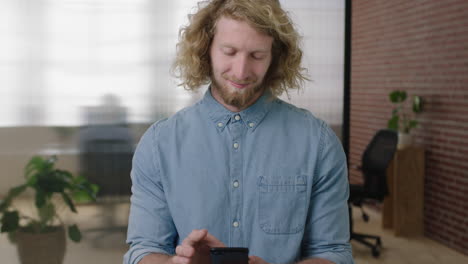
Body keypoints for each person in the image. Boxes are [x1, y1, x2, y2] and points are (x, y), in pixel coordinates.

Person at [124, 0, 354, 264]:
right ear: (205, 49)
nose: (242, 71)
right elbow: (142, 250)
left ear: (275, 57)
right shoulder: (159, 143)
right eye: (229, 52)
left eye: (257, 56)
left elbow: (334, 253)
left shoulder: (319, 143)